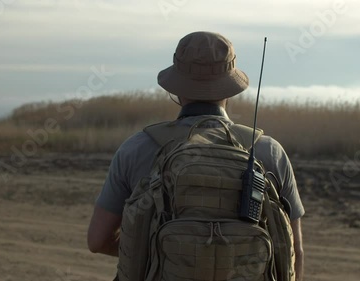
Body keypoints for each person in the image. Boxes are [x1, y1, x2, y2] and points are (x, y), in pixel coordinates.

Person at [87, 31, 305, 281]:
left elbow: (98, 240)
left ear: (177, 88)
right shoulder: (270, 152)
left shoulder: (136, 149)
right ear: (230, 88)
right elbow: (292, 253)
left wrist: (164, 253)